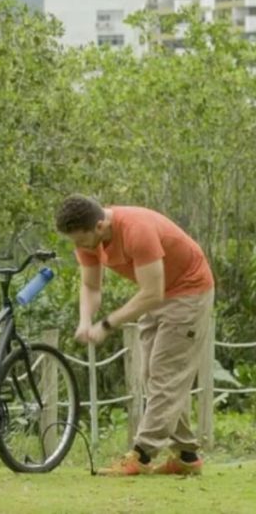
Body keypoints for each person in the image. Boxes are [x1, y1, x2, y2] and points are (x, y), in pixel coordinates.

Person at [55, 194, 215, 476]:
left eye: (82, 240)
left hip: (189, 292)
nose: (79, 247)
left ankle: (141, 456)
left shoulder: (136, 230)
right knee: (152, 377)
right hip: (159, 295)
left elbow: (151, 292)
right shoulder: (88, 239)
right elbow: (91, 287)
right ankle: (187, 456)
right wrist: (84, 321)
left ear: (101, 226)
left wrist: (106, 324)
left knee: (165, 376)